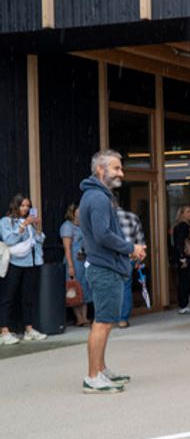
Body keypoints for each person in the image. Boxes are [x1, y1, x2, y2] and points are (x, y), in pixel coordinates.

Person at [78, 151, 145, 393]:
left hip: (104, 266)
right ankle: (93, 377)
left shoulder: (96, 196)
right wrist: (131, 248)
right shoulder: (97, 198)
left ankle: (101, 370)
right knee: (102, 323)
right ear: (100, 170)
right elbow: (102, 234)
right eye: (116, 168)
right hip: (104, 269)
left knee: (104, 323)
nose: (121, 173)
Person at [0, 193, 47, 346]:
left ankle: (29, 329)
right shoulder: (6, 221)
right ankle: (4, 331)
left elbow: (39, 240)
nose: (26, 208)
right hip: (14, 262)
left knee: (28, 297)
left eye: (28, 206)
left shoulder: (30, 222)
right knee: (8, 296)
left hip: (32, 262)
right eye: (22, 205)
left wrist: (36, 227)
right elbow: (9, 240)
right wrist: (23, 226)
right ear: (16, 205)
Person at [114, 206, 145, 328]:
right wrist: (139, 259)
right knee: (125, 286)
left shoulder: (105, 216)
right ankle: (123, 319)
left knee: (106, 287)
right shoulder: (133, 217)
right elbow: (140, 240)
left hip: (110, 257)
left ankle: (106, 318)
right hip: (129, 256)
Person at [60, 203, 91, 327]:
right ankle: (79, 318)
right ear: (72, 211)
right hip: (73, 260)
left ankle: (85, 317)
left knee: (84, 289)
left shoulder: (84, 225)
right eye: (79, 210)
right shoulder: (67, 226)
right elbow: (67, 248)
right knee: (74, 288)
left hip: (84, 261)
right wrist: (70, 266)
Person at [171, 205, 190, 315]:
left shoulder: (185, 226)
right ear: (182, 214)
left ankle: (188, 303)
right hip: (187, 257)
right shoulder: (183, 226)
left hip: (188, 257)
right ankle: (184, 304)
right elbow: (179, 243)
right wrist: (182, 258)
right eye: (188, 212)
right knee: (186, 281)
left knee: (189, 280)